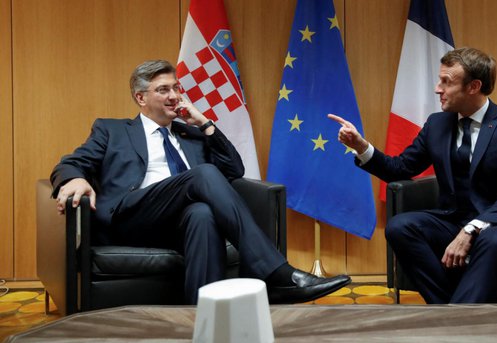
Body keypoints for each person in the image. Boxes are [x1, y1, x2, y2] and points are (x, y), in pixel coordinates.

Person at [51, 59, 350, 305]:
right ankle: (276, 272)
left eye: (176, 88)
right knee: (205, 175)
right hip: (130, 218)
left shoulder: (190, 135)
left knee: (202, 214)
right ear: (141, 98)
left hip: (178, 224)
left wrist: (205, 125)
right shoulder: (111, 130)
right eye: (163, 89)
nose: (174, 96)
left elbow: (234, 169)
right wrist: (74, 178)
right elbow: (71, 162)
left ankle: (202, 317)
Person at [328, 47, 497, 304]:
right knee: (400, 227)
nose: (437, 88)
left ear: (473, 87)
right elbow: (400, 169)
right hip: (452, 218)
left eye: (446, 82)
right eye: (439, 80)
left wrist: (471, 229)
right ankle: (449, 311)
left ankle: (453, 321)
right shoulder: (437, 123)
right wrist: (361, 146)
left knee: (493, 240)